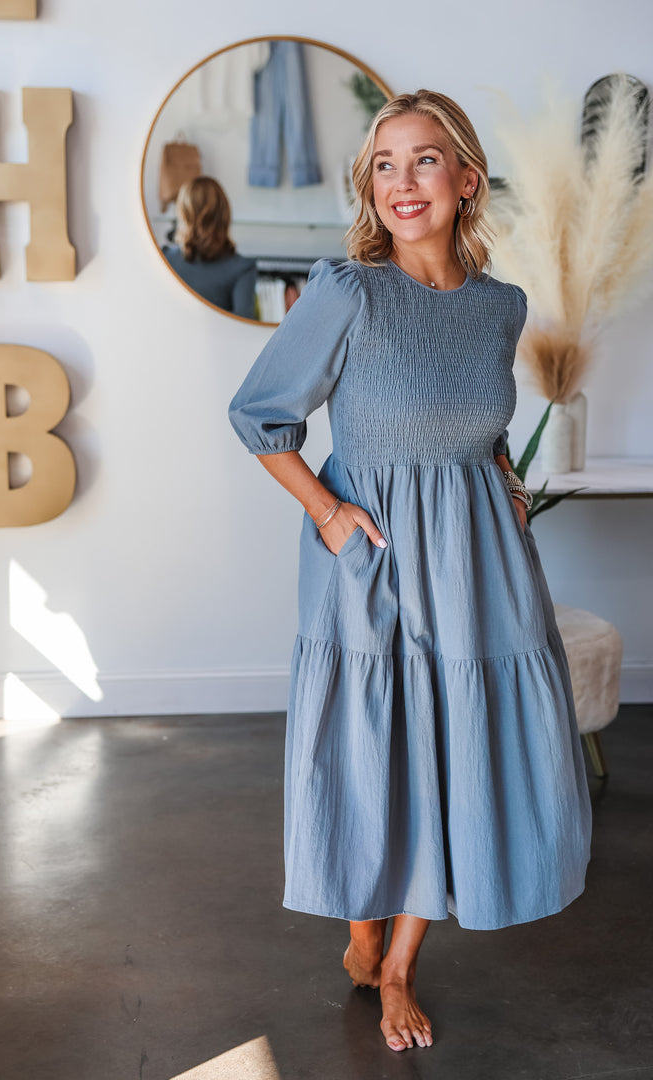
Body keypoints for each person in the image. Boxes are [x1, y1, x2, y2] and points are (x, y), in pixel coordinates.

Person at [227, 91, 592, 1053]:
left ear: (466, 180)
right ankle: (360, 926)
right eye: (384, 165)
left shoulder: (500, 307)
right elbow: (261, 417)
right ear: (370, 186)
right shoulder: (350, 292)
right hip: (372, 561)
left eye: (425, 161)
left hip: (478, 564)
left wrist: (506, 484)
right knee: (369, 744)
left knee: (453, 746)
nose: (403, 182)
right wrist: (331, 514)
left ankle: (398, 968)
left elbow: (480, 424)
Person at [162, 176, 257, 319]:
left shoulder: (164, 259)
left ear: (183, 214)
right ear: (224, 214)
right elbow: (244, 329)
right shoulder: (243, 268)